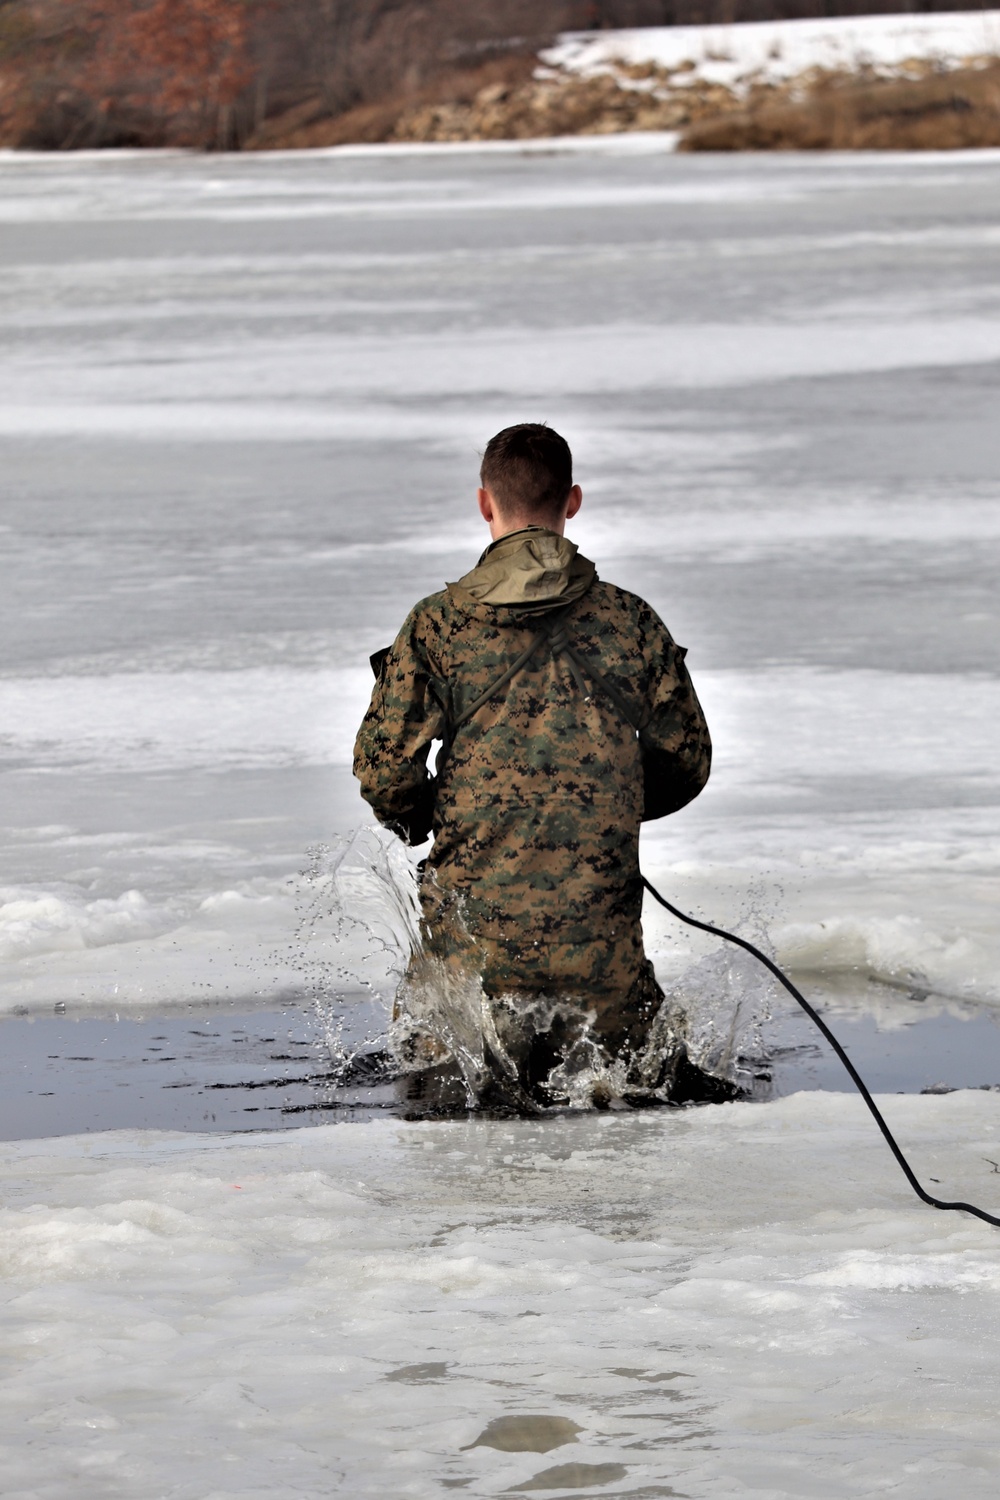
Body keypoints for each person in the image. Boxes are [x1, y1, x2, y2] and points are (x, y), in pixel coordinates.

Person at [354, 423, 714, 1110]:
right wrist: (597, 809)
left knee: (436, 1087)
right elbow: (686, 761)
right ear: (572, 501)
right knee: (635, 1087)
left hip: (471, 976)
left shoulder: (437, 626)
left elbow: (385, 773)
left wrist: (430, 817)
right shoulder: (630, 622)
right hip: (603, 976)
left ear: (485, 503)